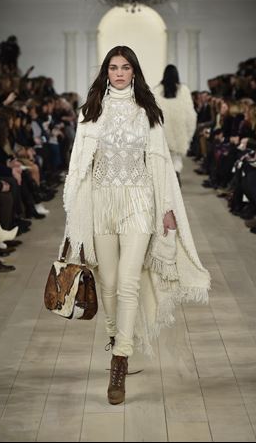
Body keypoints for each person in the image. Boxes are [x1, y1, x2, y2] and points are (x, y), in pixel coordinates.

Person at [60, 46, 210, 405]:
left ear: (134, 71)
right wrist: (74, 215)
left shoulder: (149, 111)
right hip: (100, 205)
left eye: (126, 67)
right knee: (108, 283)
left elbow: (158, 165)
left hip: (139, 203)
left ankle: (120, 358)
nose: (120, 73)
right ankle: (115, 338)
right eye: (113, 68)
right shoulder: (90, 112)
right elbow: (78, 167)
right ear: (106, 72)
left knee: (127, 281)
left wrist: (167, 209)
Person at [154, 64, 197, 186]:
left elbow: (152, 112)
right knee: (176, 156)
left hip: (163, 128)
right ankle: (176, 173)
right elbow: (190, 114)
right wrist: (189, 133)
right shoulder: (184, 91)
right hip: (180, 129)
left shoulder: (157, 91)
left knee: (164, 156)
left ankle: (167, 180)